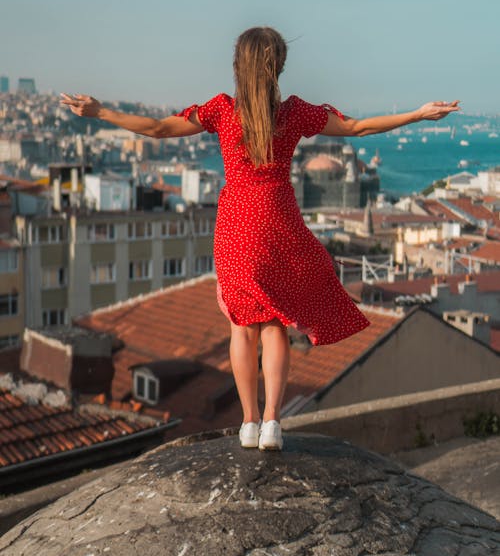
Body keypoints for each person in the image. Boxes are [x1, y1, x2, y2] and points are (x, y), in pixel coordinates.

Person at [60, 26, 460, 451]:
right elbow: (358, 127)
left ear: (238, 65)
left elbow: (158, 129)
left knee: (241, 325)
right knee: (275, 325)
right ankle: (273, 422)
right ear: (279, 67)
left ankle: (248, 422)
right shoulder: (294, 114)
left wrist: (101, 113)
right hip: (278, 220)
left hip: (236, 224)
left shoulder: (221, 110)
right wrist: (417, 114)